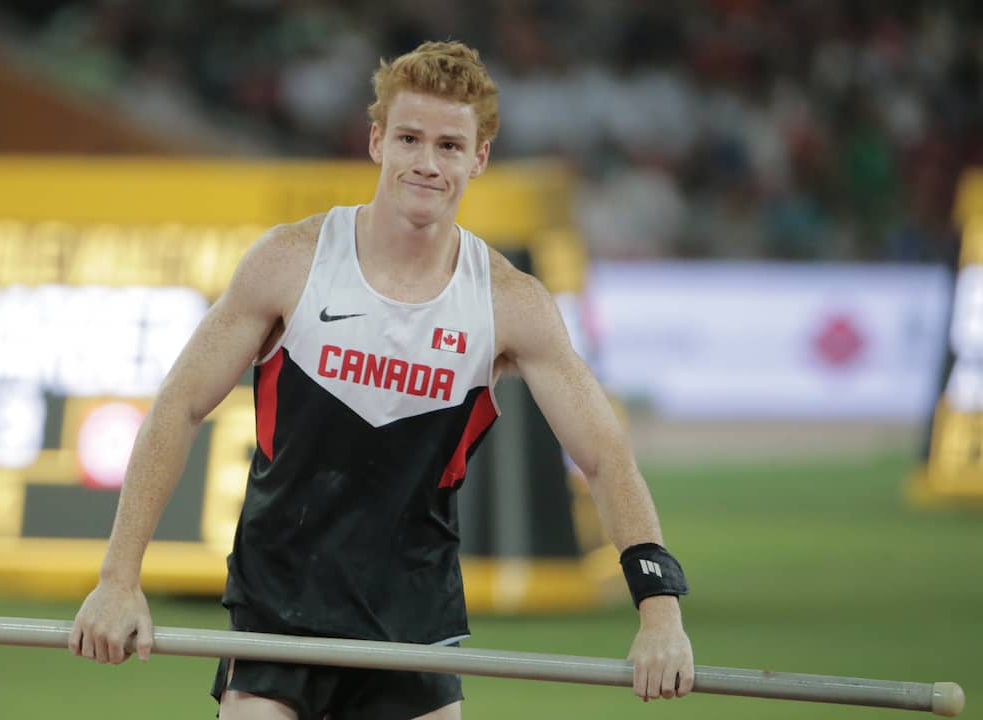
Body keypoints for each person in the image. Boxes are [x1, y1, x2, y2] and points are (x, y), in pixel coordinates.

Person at [69, 40, 694, 719]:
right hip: (278, 620)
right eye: (410, 139)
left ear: (479, 157)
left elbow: (605, 455)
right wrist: (118, 578)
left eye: (450, 146)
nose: (427, 163)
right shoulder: (290, 262)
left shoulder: (509, 304)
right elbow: (179, 406)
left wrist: (660, 614)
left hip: (414, 629)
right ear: (377, 141)